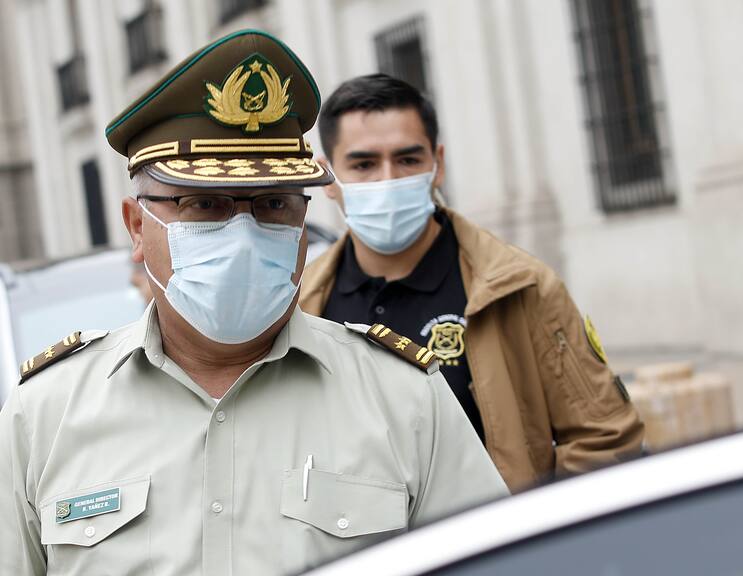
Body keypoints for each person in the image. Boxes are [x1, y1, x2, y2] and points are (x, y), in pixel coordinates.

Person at [0, 33, 508, 576]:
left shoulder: (404, 398)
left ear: (304, 222)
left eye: (273, 204)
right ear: (136, 226)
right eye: (204, 204)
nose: (243, 235)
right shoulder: (45, 415)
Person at [300, 74, 645, 492]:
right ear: (327, 176)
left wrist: (528, 527)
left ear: (438, 164)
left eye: (408, 160)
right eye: (364, 164)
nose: (387, 180)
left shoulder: (519, 287)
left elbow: (605, 439)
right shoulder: (301, 306)